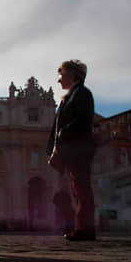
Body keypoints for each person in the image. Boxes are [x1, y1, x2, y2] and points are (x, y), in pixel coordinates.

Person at [47, 59, 97, 241]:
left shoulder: (82, 93)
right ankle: (82, 227)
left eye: (61, 75)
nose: (58, 80)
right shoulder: (73, 95)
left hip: (79, 148)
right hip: (74, 148)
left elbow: (84, 120)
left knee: (81, 188)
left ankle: (85, 229)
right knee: (78, 189)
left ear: (72, 75)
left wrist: (62, 133)